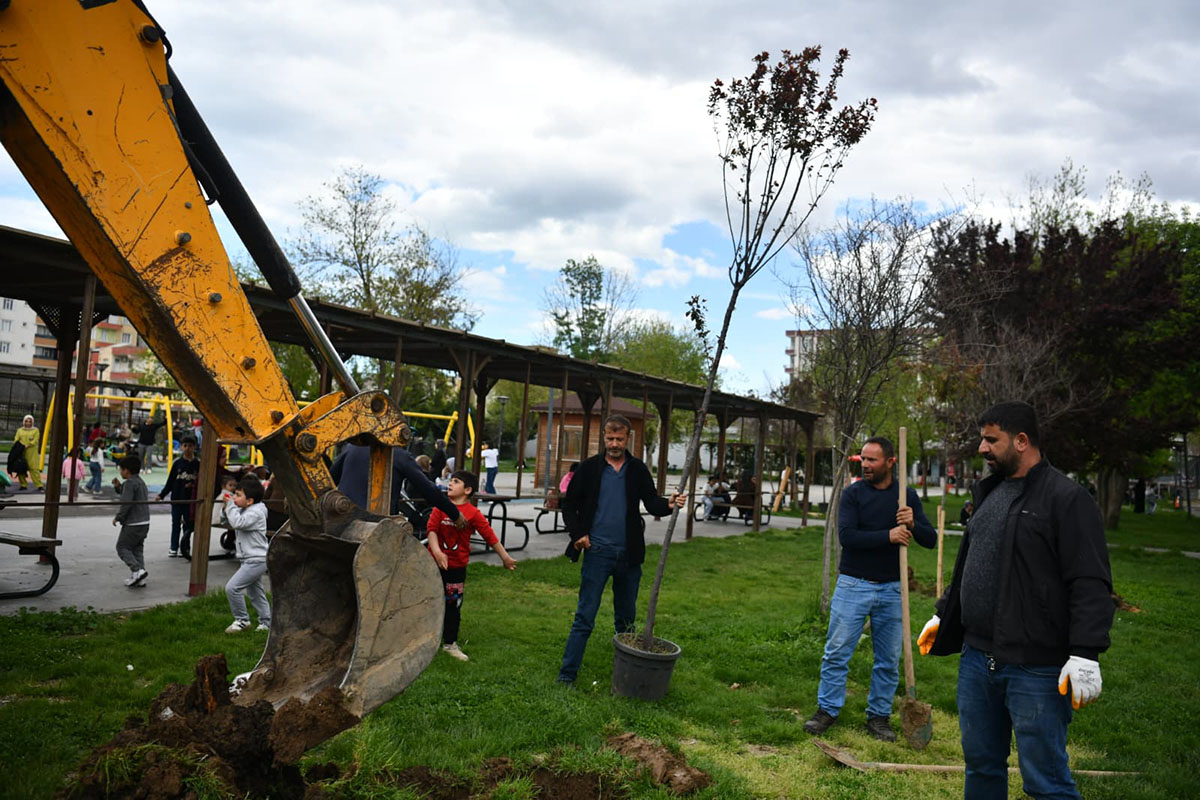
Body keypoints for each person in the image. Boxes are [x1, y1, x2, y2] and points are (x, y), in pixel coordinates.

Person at [918, 401, 1113, 800]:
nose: (982, 448)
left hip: (1035, 667)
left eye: (992, 439)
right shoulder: (990, 492)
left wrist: (1085, 652)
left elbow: (1090, 581)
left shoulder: (1066, 499)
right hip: (977, 661)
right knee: (981, 767)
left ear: (1022, 441)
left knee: (1046, 782)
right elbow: (974, 563)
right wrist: (945, 614)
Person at [802, 436, 937, 742]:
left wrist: (913, 524)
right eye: (863, 459)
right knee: (837, 652)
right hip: (854, 584)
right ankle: (827, 711)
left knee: (888, 659)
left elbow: (930, 540)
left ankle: (878, 717)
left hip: (893, 589)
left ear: (890, 462)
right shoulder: (853, 494)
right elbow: (848, 537)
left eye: (872, 460)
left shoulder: (906, 496)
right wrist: (888, 536)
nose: (865, 464)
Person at [557, 414, 686, 686]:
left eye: (619, 438)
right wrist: (578, 534)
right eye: (610, 438)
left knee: (626, 621)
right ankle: (567, 675)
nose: (614, 443)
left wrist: (669, 503)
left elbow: (651, 502)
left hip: (629, 555)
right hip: (597, 553)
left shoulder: (637, 469)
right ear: (603, 438)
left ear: (628, 439)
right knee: (584, 617)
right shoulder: (589, 469)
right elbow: (568, 504)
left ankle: (627, 675)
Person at [426, 469, 517, 661]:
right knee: (429, 602)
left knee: (452, 606)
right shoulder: (440, 507)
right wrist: (437, 552)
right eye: (451, 480)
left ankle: (449, 644)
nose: (450, 484)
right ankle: (424, 641)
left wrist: (505, 558)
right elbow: (431, 530)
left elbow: (489, 536)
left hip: (456, 570)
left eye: (456, 481)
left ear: (467, 490)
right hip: (432, 566)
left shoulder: (473, 514)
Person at [223, 477, 272, 633]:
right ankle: (267, 623)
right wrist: (226, 508)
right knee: (255, 592)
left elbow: (238, 523)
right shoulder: (246, 509)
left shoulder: (256, 513)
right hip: (250, 559)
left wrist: (230, 505)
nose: (234, 497)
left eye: (238, 495)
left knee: (232, 588)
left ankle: (242, 620)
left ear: (250, 500)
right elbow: (229, 520)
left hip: (257, 559)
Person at [157, 434, 200, 558]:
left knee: (188, 525)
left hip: (190, 501)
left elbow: (201, 482)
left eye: (190, 446)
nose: (187, 448)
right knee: (175, 524)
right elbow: (170, 482)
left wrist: (192, 485)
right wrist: (162, 495)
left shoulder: (198, 465)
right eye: (185, 446)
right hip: (176, 499)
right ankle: (173, 547)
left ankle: (184, 548)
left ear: (194, 447)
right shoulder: (177, 464)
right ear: (181, 447)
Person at [111, 455, 150, 587]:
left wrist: (118, 517)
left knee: (122, 547)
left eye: (121, 470)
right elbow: (129, 494)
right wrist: (118, 487)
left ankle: (137, 570)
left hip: (133, 523)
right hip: (144, 522)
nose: (120, 473)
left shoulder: (129, 483)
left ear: (126, 470)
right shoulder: (140, 482)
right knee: (137, 549)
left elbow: (126, 502)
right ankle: (139, 576)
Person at [13, 414, 43, 491]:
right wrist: (20, 446)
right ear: (24, 422)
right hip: (21, 452)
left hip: (32, 453)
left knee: (34, 469)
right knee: (21, 468)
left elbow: (35, 440)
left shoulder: (35, 430)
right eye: (26, 421)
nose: (28, 423)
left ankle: (39, 485)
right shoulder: (20, 430)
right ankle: (23, 484)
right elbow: (16, 439)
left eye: (30, 421)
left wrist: (28, 445)